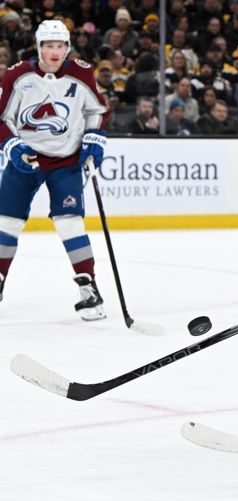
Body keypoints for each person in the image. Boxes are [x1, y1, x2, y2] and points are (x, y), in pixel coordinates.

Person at [0, 20, 108, 320]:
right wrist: (13, 146)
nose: (55, 51)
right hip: (26, 160)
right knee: (7, 222)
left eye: (60, 45)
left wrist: (94, 139)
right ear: (39, 47)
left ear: (68, 47)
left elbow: (97, 111)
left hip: (66, 162)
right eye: (49, 45)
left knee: (69, 222)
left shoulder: (81, 73)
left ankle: (89, 288)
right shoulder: (17, 75)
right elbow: (2, 118)